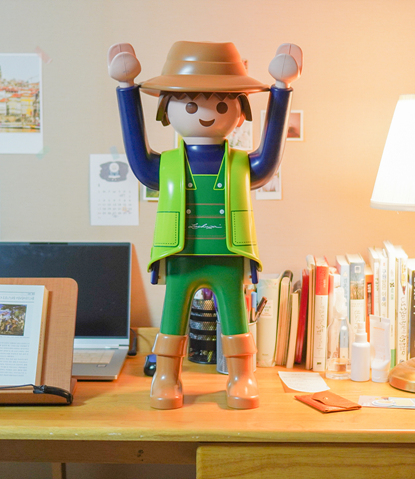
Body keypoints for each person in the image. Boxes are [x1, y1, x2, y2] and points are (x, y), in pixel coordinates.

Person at [109, 41, 302, 409]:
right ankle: (167, 377)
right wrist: (126, 89)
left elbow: (269, 159)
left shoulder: (240, 164)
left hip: (227, 254)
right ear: (167, 109)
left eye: (222, 105)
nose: (207, 115)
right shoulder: (166, 165)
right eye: (190, 105)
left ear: (239, 112)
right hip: (181, 254)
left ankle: (241, 376)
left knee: (235, 319)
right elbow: (138, 158)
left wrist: (282, 90)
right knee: (172, 318)